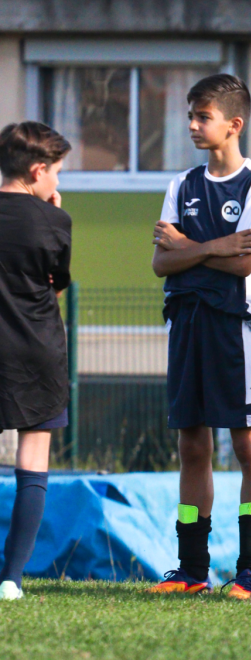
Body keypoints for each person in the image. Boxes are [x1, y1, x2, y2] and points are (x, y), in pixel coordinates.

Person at [147, 74, 251, 599]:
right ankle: (191, 569)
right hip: (187, 323)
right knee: (191, 445)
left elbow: (246, 260)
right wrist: (215, 247)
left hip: (232, 326)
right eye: (191, 117)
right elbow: (160, 263)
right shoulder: (181, 184)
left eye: (203, 117)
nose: (193, 126)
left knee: (247, 445)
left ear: (233, 124)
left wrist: (191, 246)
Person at [0, 122, 72, 601]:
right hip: (37, 348)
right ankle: (11, 579)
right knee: (33, 460)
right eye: (57, 174)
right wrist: (53, 217)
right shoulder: (54, 220)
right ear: (37, 170)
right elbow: (57, 279)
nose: (58, 185)